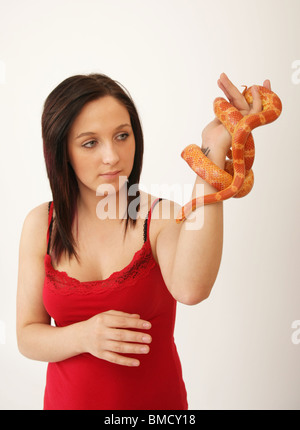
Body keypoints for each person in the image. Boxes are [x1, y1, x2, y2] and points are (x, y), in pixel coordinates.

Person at [16, 72, 271, 410]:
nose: (113, 156)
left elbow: (191, 288)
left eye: (122, 135)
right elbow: (27, 336)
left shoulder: (159, 216)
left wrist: (215, 146)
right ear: (61, 149)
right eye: (90, 142)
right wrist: (84, 335)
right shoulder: (41, 225)